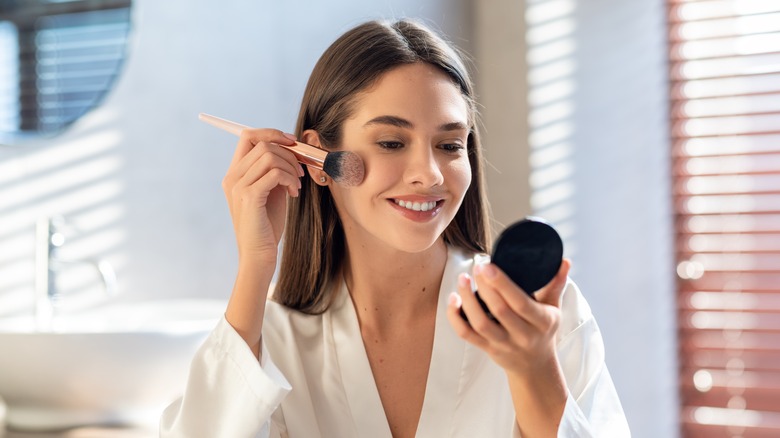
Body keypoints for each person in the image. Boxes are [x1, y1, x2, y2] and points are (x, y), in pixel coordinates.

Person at [160, 19, 630, 437]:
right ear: (318, 159)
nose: (428, 173)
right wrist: (256, 267)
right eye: (390, 142)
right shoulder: (271, 342)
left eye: (449, 144)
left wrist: (535, 373)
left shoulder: (540, 316)